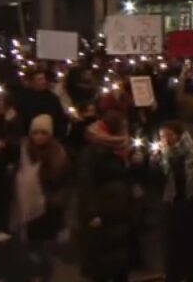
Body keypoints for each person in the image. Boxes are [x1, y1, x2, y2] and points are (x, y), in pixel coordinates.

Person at [77, 108, 137, 282]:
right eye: (123, 125)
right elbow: (86, 183)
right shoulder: (94, 151)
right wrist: (92, 212)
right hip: (104, 211)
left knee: (121, 261)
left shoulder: (122, 146)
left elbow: (128, 175)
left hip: (122, 210)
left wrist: (136, 164)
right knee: (103, 263)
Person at [8, 114, 70, 281]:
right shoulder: (23, 152)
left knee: (46, 251)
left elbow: (65, 183)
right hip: (27, 207)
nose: (39, 136)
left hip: (49, 210)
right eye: (36, 132)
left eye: (44, 132)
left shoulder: (58, 153)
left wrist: (56, 200)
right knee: (30, 250)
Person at [159, 120, 193, 282]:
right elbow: (158, 182)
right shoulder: (163, 157)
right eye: (163, 136)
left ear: (179, 135)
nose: (166, 140)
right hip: (172, 212)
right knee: (173, 259)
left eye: (170, 135)